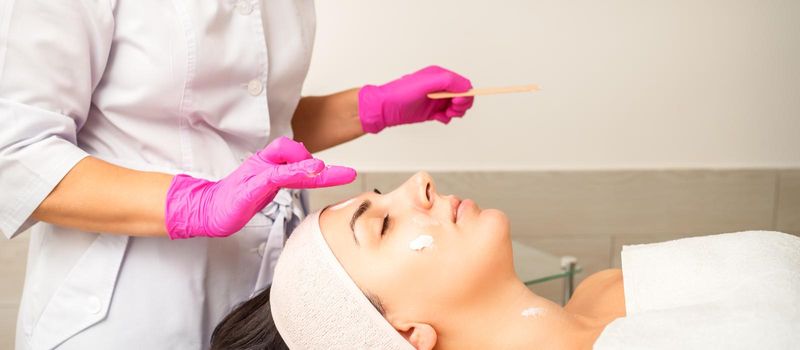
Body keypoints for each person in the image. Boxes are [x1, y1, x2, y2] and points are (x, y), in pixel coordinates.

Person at [0, 2, 474, 349]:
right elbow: (15, 155)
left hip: (266, 295)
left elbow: (258, 130)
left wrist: (371, 108)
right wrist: (196, 205)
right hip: (124, 310)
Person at [211, 172, 800, 349]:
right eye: (383, 224)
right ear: (405, 334)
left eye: (382, 193)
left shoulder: (604, 289)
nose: (420, 182)